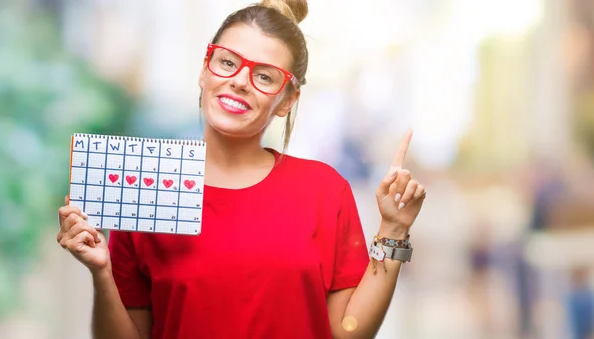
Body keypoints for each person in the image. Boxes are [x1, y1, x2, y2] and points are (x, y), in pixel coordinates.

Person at [56, 1, 427, 338]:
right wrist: (101, 273)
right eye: (228, 62)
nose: (239, 81)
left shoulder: (324, 191)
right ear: (205, 69)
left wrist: (394, 229)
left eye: (265, 77)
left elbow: (347, 332)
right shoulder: (144, 189)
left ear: (287, 101)